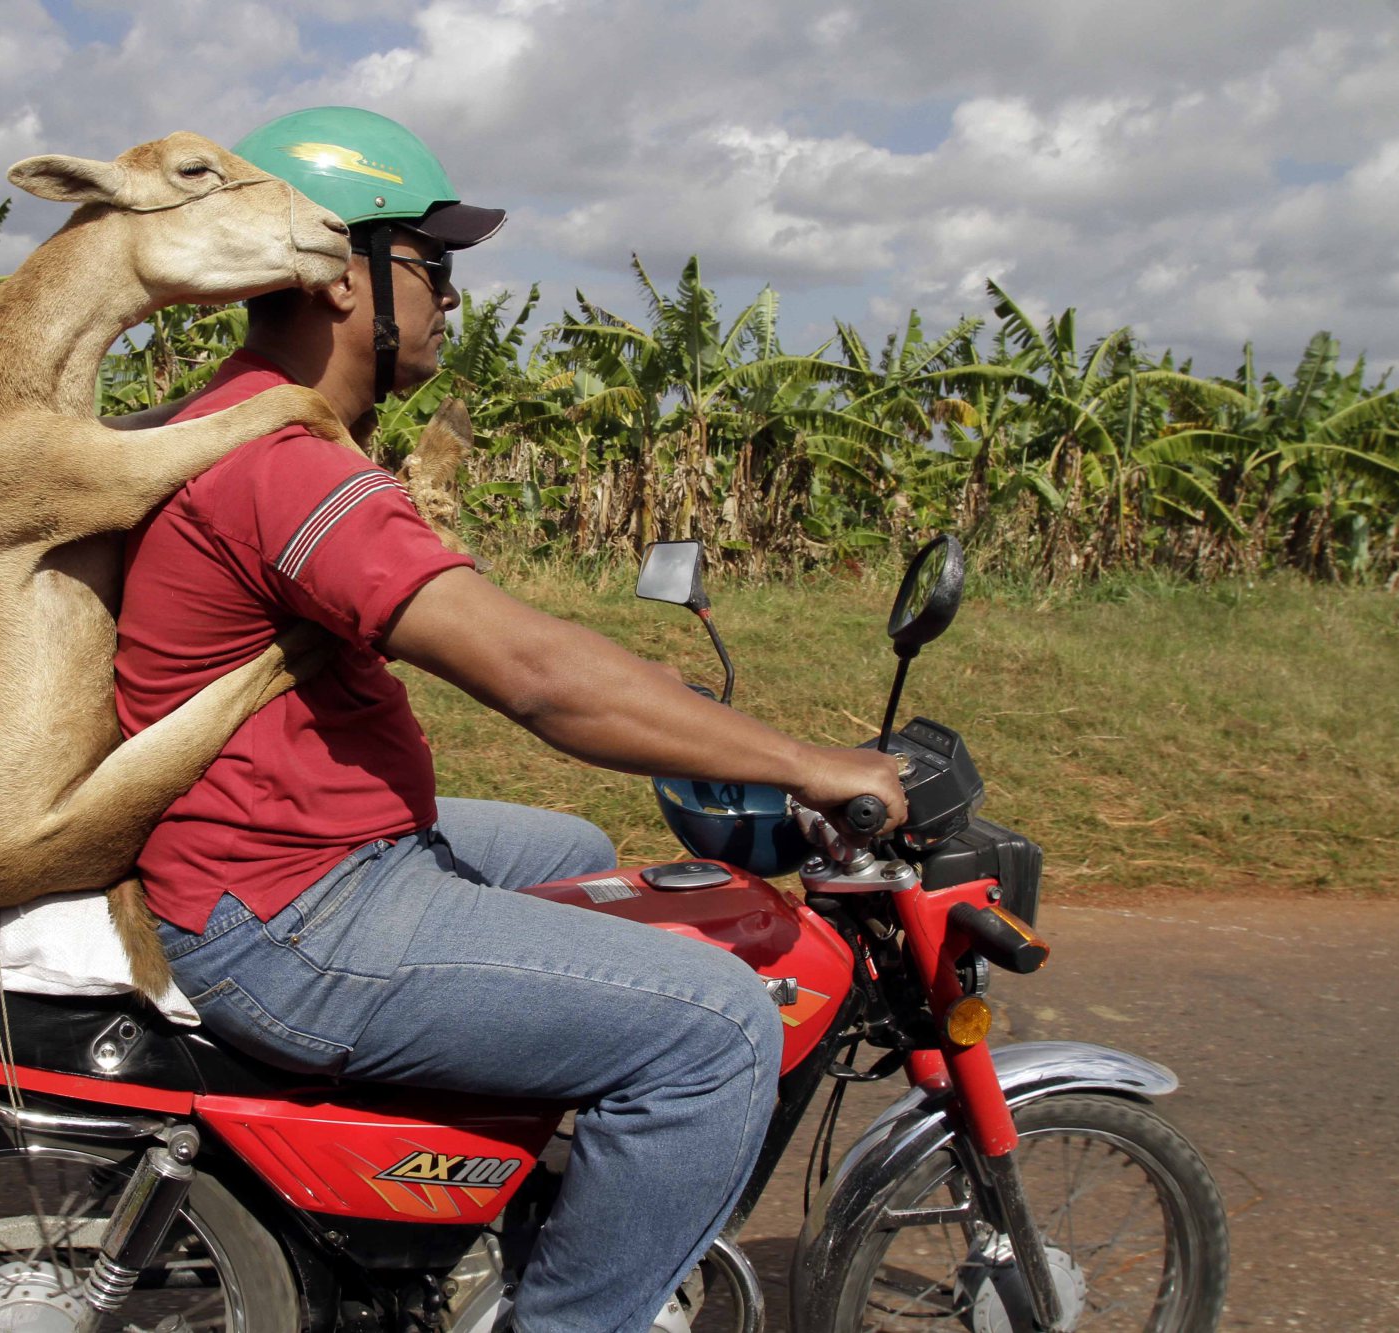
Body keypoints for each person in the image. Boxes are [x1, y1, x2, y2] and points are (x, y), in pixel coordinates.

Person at [112, 106, 906, 1333]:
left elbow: (494, 621)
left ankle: (492, 1214)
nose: (447, 299)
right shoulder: (282, 461)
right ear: (339, 272)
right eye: (432, 266)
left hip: (278, 849)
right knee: (717, 1028)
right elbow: (533, 677)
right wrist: (802, 760)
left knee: (579, 857)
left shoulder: (254, 417)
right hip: (288, 906)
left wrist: (697, 720)